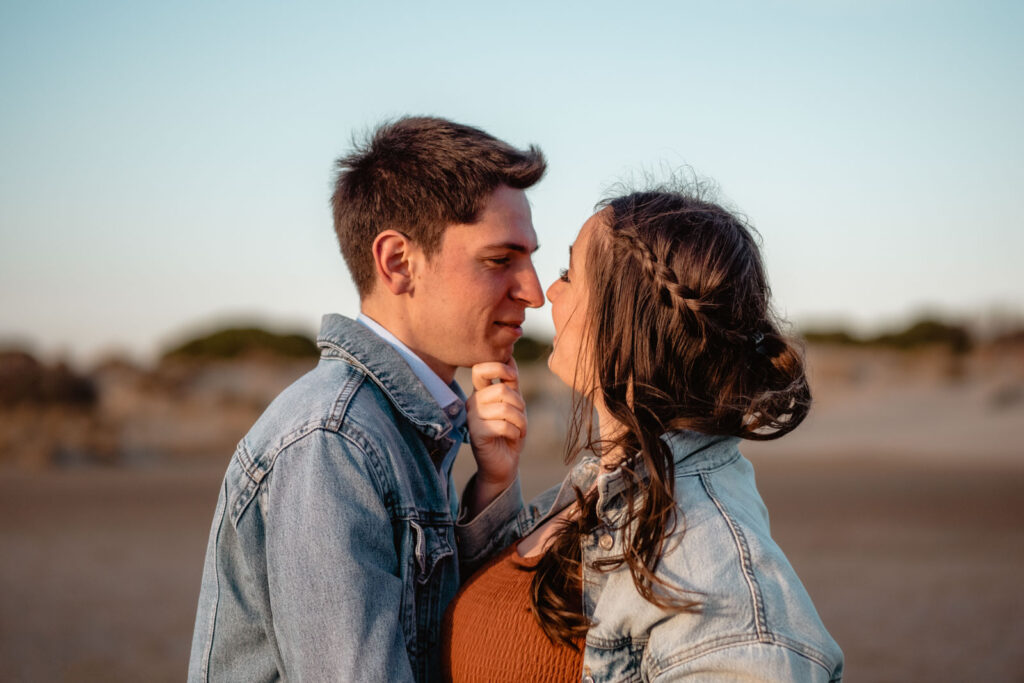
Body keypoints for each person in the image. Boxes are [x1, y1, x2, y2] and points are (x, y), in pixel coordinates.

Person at [188, 116, 546, 682]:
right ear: (398, 262)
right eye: (500, 260)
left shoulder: (414, 425)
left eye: (530, 258)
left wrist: (491, 488)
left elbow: (455, 641)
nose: (534, 291)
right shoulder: (331, 441)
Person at [444, 185, 844, 681]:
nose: (549, 290)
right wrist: (496, 483)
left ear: (625, 316)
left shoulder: (715, 573)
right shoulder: (599, 489)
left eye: (570, 273)